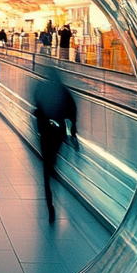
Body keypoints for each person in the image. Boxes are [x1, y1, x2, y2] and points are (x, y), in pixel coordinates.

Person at [34, 65, 78, 222]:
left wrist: (38, 128)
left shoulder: (41, 87)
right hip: (58, 134)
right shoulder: (63, 91)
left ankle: (50, 204)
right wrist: (72, 133)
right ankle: (53, 168)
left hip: (45, 133)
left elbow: (36, 109)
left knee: (46, 168)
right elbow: (72, 111)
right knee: (52, 160)